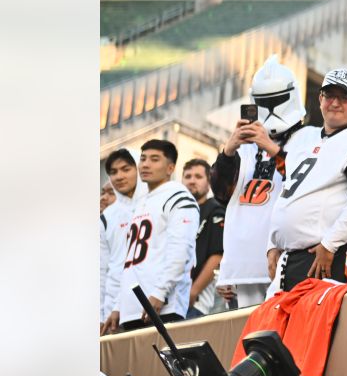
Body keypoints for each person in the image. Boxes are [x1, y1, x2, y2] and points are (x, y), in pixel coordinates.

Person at [267, 68, 347, 292]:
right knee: (273, 326)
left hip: (328, 256)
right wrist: (273, 244)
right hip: (289, 258)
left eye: (344, 97)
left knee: (319, 324)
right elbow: (287, 194)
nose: (335, 103)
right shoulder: (304, 137)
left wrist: (330, 245)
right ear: (320, 98)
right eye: (329, 96)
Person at [212, 54, 306, 308]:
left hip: (283, 262)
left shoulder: (307, 139)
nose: (272, 108)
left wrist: (271, 148)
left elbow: (303, 184)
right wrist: (228, 150)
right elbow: (221, 193)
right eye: (266, 102)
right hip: (241, 266)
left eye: (277, 100)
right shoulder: (242, 148)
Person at [104, 140, 199, 333]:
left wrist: (160, 292)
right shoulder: (140, 203)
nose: (146, 164)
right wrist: (118, 305)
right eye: (143, 159)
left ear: (170, 167)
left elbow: (181, 250)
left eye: (154, 159)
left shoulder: (179, 196)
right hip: (131, 309)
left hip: (162, 306)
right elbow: (129, 261)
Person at [100, 149, 144, 328]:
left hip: (146, 306)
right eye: (113, 172)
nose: (119, 176)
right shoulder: (107, 216)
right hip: (110, 315)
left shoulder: (154, 205)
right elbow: (101, 269)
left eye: (126, 169)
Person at [181, 159, 224, 317]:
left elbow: (217, 255)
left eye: (198, 176)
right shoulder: (177, 212)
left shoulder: (215, 209)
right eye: (188, 176)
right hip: (170, 301)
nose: (192, 180)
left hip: (195, 303)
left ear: (209, 181)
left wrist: (193, 292)